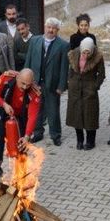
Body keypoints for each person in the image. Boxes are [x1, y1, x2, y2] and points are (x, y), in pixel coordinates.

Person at [0, 69, 42, 184]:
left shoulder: (35, 92)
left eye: (28, 85)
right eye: (22, 83)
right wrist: (4, 104)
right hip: (4, 113)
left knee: (21, 146)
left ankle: (21, 174)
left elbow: (32, 116)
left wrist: (27, 136)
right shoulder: (7, 78)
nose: (25, 87)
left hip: (21, 119)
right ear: (17, 77)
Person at [25, 17, 69, 146]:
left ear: (57, 30)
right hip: (35, 83)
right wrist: (26, 80)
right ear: (45, 27)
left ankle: (55, 135)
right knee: (37, 109)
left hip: (52, 85)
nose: (50, 30)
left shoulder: (63, 45)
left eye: (53, 28)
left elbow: (64, 68)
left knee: (53, 110)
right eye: (49, 27)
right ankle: (38, 133)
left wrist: (61, 86)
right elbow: (28, 61)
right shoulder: (34, 41)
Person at [66, 37, 105, 150]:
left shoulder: (98, 56)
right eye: (84, 51)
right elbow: (71, 70)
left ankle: (90, 141)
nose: (86, 54)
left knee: (90, 116)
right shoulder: (74, 54)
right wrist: (70, 82)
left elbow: (101, 74)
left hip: (89, 89)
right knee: (76, 115)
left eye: (88, 52)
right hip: (75, 89)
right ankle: (80, 140)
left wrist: (95, 86)